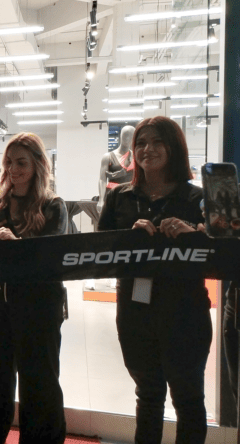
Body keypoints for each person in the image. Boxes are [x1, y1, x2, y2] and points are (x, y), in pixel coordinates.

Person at [98, 116, 210, 444]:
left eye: (157, 141)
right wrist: (125, 237)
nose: (148, 149)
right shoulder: (119, 197)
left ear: (174, 147)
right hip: (135, 310)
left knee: (188, 398)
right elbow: (99, 249)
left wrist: (195, 234)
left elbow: (223, 250)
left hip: (186, 312)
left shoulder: (197, 198)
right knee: (148, 395)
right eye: (142, 143)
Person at [0, 132, 68, 444]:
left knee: (39, 378)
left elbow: (52, 259)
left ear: (38, 164)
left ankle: (40, 438)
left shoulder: (53, 205)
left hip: (39, 305)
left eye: (21, 162)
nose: (13, 169)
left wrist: (18, 244)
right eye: (9, 162)